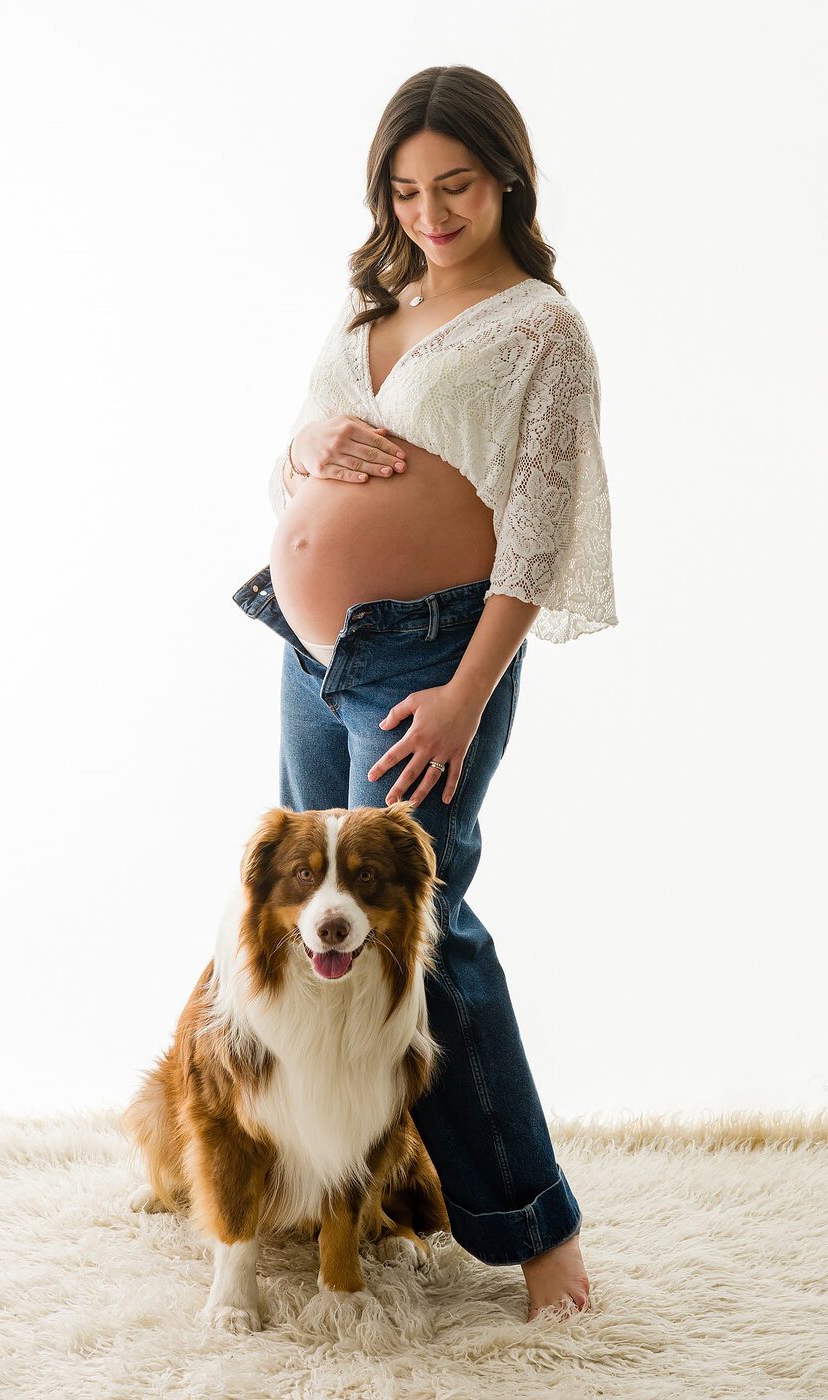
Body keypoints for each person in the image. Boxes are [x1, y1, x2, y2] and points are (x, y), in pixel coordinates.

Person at [232, 63, 617, 1321]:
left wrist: (463, 693)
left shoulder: (538, 328)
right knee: (314, 936)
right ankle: (328, 1178)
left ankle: (536, 1224)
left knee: (426, 930)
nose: (430, 214)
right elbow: (294, 439)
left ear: (506, 177)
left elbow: (539, 531)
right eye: (405, 190)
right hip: (309, 654)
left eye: (453, 185)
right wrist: (309, 448)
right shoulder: (375, 293)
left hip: (427, 663)